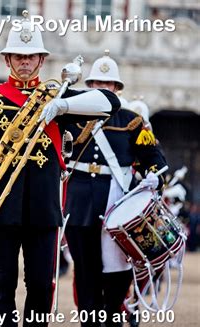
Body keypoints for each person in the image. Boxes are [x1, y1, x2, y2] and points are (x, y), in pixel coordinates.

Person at [0, 12, 121, 327]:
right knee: (2, 286)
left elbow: (109, 103)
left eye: (30, 55)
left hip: (44, 208)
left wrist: (63, 106)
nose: (24, 62)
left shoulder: (56, 98)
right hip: (1, 206)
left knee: (40, 286)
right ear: (7, 59)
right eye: (18, 56)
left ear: (41, 60)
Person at [63, 50, 167, 327]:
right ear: (89, 86)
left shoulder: (132, 121)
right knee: (84, 269)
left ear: (117, 88)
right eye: (97, 84)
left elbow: (155, 161)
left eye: (108, 85)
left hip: (116, 200)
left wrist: (153, 177)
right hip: (79, 200)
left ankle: (111, 317)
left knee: (117, 268)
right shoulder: (71, 117)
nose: (102, 89)